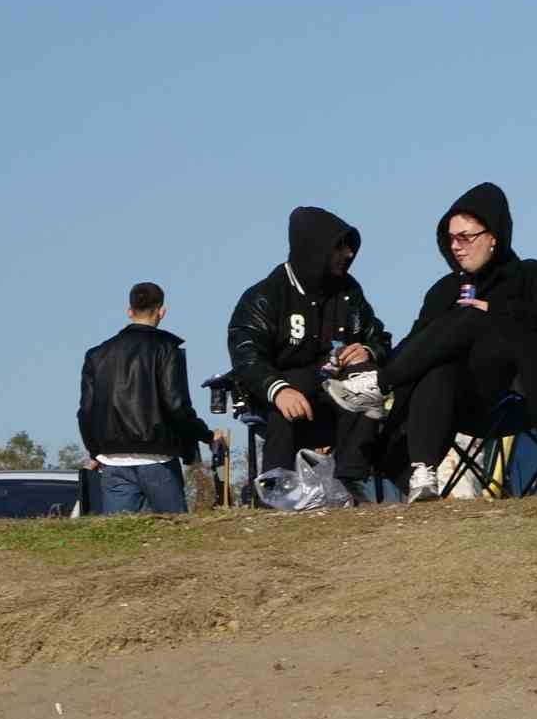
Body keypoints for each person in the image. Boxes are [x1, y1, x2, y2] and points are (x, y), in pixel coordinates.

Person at [326, 182, 537, 502]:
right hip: (459, 399)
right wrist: (371, 356)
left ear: (493, 236)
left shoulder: (532, 275)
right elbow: (415, 343)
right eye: (450, 239)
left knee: (470, 317)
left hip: (519, 391)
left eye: (465, 237)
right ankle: (422, 473)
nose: (456, 246)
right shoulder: (444, 290)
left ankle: (378, 385)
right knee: (438, 369)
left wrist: (496, 312)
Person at [228, 206, 391, 501]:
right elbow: (246, 353)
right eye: (340, 247)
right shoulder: (266, 295)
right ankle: (276, 490)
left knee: (365, 380)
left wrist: (368, 350)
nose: (348, 254)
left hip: (337, 393)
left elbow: (379, 337)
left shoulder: (349, 291)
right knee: (292, 391)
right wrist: (277, 389)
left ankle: (349, 480)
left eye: (349, 246)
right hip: (283, 394)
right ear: (315, 249)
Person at [78, 282, 217, 513]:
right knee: (173, 528)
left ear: (129, 311)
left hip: (113, 460)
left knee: (118, 532)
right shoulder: (167, 349)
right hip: (158, 459)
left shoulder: (97, 354)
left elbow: (85, 411)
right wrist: (206, 435)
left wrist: (96, 451)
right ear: (161, 311)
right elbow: (176, 405)